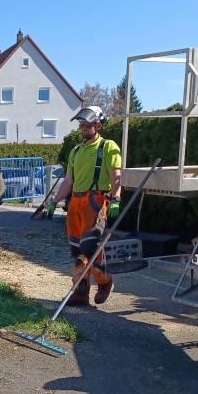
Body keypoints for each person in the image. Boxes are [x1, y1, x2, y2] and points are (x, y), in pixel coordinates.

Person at [46, 106, 122, 306]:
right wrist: (54, 200)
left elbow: (116, 176)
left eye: (87, 125)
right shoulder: (76, 151)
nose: (83, 129)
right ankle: (80, 290)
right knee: (77, 250)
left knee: (90, 247)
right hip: (75, 203)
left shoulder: (108, 147)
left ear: (99, 125)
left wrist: (116, 199)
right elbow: (68, 181)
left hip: (95, 201)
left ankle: (105, 281)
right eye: (81, 125)